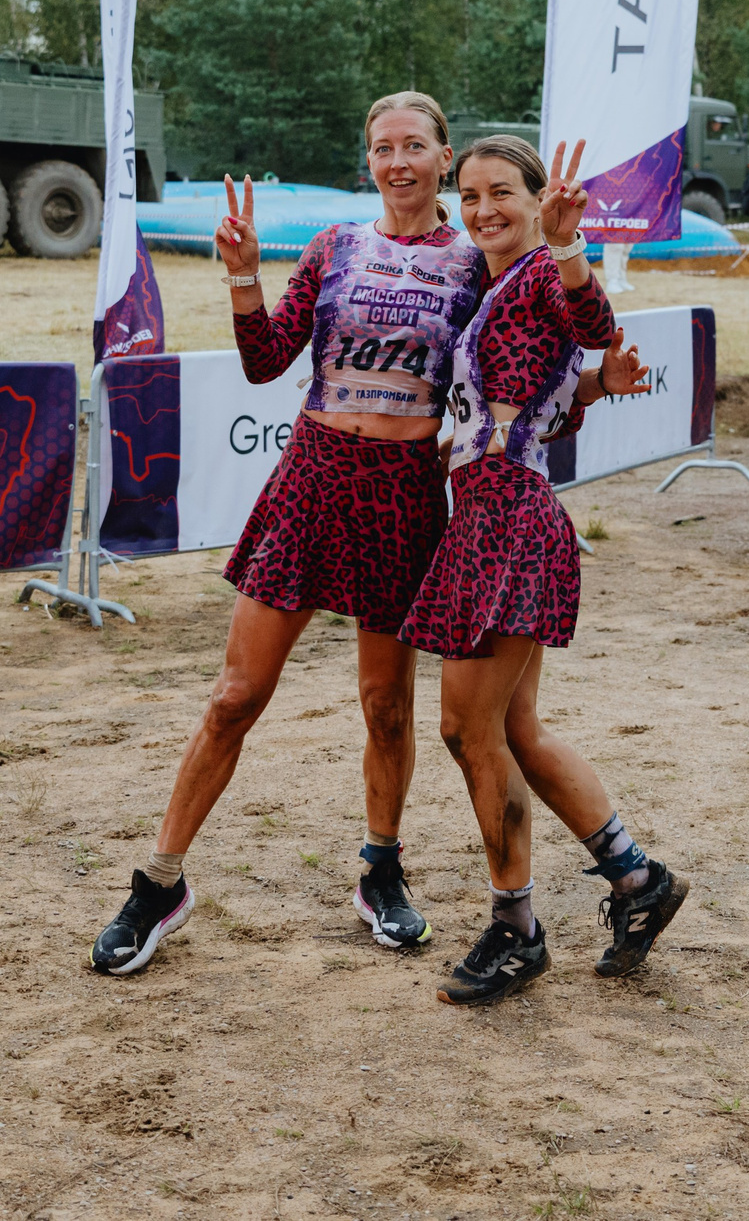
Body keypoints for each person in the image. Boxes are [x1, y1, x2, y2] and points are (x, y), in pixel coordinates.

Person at [90, 94, 635, 977]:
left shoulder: (477, 265)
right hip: (312, 477)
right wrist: (240, 273)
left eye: (414, 145)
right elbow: (267, 358)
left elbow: (528, 376)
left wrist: (598, 378)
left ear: (441, 155)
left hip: (405, 494)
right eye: (383, 148)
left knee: (386, 706)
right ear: (368, 161)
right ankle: (160, 880)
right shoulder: (335, 246)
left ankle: (381, 868)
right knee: (236, 694)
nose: (398, 162)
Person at [402, 135, 687, 1006]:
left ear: (537, 200)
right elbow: (551, 399)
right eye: (471, 194)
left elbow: (596, 322)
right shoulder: (499, 294)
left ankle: (516, 927)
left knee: (466, 730)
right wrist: (597, 385)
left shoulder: (537, 275)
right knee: (513, 730)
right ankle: (637, 880)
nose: (483, 209)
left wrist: (567, 245)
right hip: (496, 512)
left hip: (507, 521)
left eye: (502, 193)